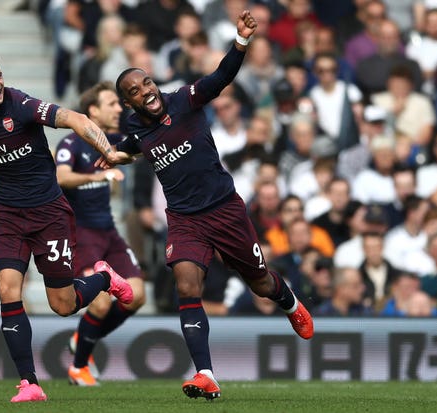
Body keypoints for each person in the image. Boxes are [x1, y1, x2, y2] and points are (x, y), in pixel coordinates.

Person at [104, 11, 313, 401]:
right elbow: (134, 147)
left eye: (145, 82)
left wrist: (241, 41)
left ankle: (291, 304)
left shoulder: (184, 100)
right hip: (184, 218)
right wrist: (117, 156)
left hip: (225, 209)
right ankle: (205, 373)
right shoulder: (135, 127)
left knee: (261, 282)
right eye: (133, 90)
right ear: (128, 102)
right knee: (186, 284)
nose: (144, 90)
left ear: (153, 82)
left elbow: (222, 77)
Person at [0, 50, 133, 403]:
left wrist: (109, 149)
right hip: (9, 217)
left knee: (63, 304)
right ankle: (30, 383)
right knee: (7, 289)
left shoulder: (22, 105)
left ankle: (105, 278)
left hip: (49, 215)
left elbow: (75, 118)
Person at [55, 81, 145, 386]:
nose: (119, 108)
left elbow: (138, 149)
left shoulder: (114, 140)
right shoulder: (71, 143)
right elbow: (62, 177)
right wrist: (100, 174)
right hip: (82, 235)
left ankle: (83, 337)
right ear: (93, 110)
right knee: (101, 301)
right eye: (112, 104)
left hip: (109, 232)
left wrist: (130, 155)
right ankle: (79, 368)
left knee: (137, 296)